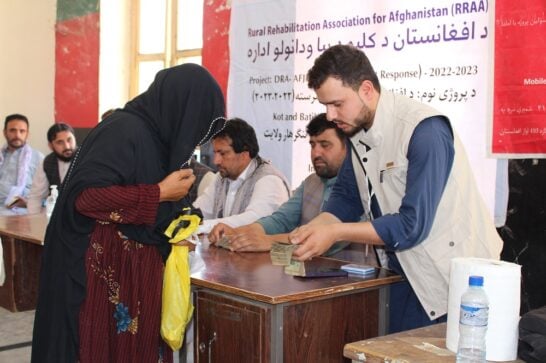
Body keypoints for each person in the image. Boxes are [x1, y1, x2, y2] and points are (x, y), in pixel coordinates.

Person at [288, 44, 503, 333]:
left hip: (454, 283)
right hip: (402, 274)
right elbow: (345, 198)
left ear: (366, 89)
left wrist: (335, 232)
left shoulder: (424, 130)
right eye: (325, 105)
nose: (329, 115)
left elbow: (411, 225)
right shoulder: (357, 132)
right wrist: (316, 229)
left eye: (337, 104)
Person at [31, 64, 226, 363]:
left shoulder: (157, 142)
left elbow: (151, 208)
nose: (196, 138)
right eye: (195, 123)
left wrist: (175, 228)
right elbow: (85, 199)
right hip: (95, 280)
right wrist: (159, 193)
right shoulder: (123, 130)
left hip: (130, 279)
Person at [208, 113, 375, 263]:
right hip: (307, 279)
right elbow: (280, 220)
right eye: (312, 145)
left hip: (353, 287)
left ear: (347, 148)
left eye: (325, 145)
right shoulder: (311, 182)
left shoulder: (360, 187)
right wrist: (240, 233)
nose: (316, 153)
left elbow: (330, 241)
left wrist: (268, 241)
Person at [193, 118, 290, 234]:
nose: (216, 161)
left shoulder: (269, 180)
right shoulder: (221, 177)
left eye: (223, 153)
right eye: (215, 153)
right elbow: (200, 212)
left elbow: (254, 220)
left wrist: (204, 226)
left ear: (244, 155)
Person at [27, 123, 77, 214]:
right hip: (58, 216)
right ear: (50, 146)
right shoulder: (47, 163)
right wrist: (33, 222)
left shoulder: (85, 158)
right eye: (60, 142)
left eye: (69, 140)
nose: (67, 146)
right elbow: (36, 196)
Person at [0, 113, 44, 215]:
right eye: (12, 130)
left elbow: (51, 193)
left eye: (22, 131)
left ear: (27, 134)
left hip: (24, 213)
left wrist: (28, 203)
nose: (17, 135)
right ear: (5, 133)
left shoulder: (38, 158)